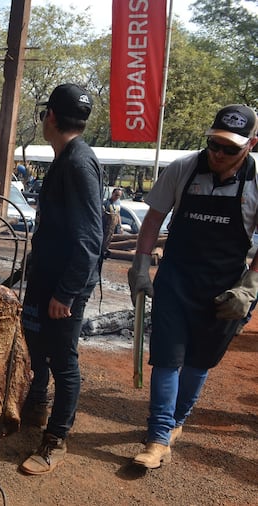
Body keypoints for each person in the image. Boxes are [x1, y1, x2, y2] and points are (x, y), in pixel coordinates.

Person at [127, 104, 258, 469]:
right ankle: (157, 437)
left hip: (226, 287)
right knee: (167, 359)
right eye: (214, 144)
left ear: (251, 145)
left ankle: (176, 422)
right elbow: (154, 218)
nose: (218, 154)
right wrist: (140, 267)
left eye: (230, 149)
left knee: (200, 362)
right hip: (177, 280)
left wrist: (249, 288)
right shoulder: (184, 169)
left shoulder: (257, 180)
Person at [18, 84, 103, 475]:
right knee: (34, 341)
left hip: (64, 286)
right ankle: (36, 403)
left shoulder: (78, 164)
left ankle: (56, 439)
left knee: (63, 360)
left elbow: (90, 239)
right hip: (46, 275)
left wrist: (67, 293)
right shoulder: (65, 157)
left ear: (50, 116)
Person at [102, 187, 123, 257]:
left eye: (119, 196)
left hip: (113, 226)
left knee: (109, 239)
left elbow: (118, 214)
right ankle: (102, 251)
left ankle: (105, 250)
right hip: (106, 225)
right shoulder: (106, 203)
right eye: (116, 195)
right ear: (112, 194)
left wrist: (120, 225)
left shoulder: (118, 203)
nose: (117, 197)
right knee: (104, 239)